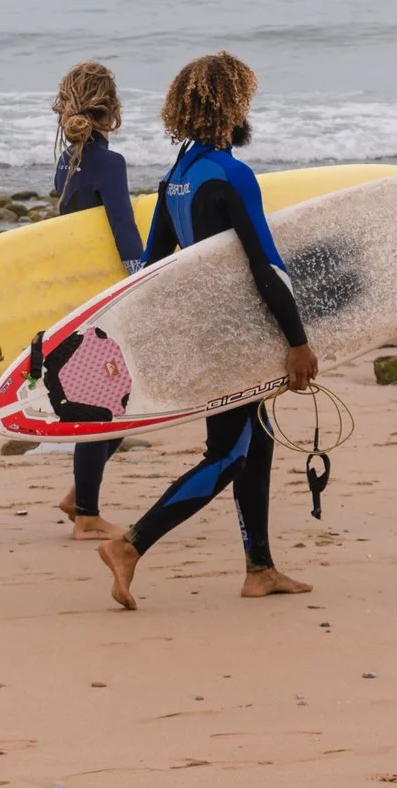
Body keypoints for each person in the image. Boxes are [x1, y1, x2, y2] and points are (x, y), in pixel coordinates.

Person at [97, 51, 316, 610]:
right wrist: (297, 341)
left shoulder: (179, 177)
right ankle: (131, 545)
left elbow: (153, 265)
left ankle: (260, 568)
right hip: (238, 337)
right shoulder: (231, 175)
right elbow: (265, 264)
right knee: (230, 453)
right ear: (230, 105)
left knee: (256, 440)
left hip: (206, 332)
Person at [47, 61, 143, 542]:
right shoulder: (110, 163)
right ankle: (86, 512)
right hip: (106, 298)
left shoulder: (67, 160)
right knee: (108, 401)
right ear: (114, 111)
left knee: (112, 397)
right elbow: (125, 236)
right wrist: (147, 283)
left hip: (77, 293)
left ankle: (79, 495)